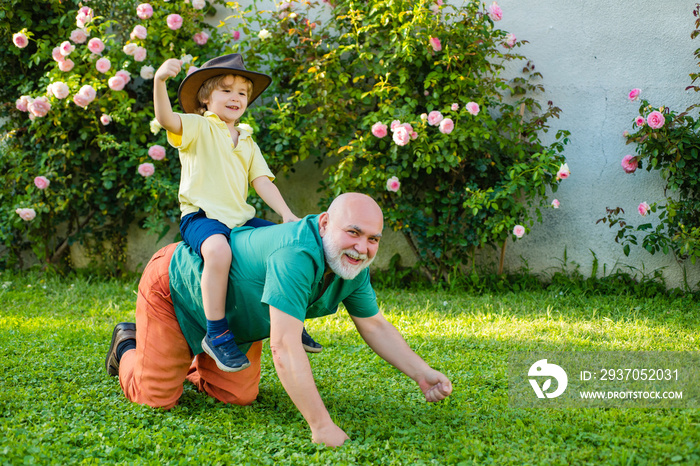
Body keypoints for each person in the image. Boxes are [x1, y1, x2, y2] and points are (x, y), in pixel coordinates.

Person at [105, 193, 453, 447]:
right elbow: (284, 345)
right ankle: (128, 344)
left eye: (372, 239)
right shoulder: (296, 255)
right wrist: (321, 426)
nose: (362, 247)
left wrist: (422, 373)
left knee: (237, 396)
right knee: (155, 397)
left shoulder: (352, 268)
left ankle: (192, 359)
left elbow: (374, 325)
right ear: (325, 223)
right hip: (176, 289)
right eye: (354, 232)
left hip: (235, 319)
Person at [154, 53, 320, 372]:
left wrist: (286, 214)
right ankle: (216, 333)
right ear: (205, 98)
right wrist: (159, 80)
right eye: (226, 90)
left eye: (242, 93)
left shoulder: (246, 139)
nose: (235, 97)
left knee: (289, 244)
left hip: (239, 219)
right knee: (218, 251)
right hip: (202, 217)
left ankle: (289, 321)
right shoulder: (198, 127)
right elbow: (165, 119)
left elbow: (262, 182)